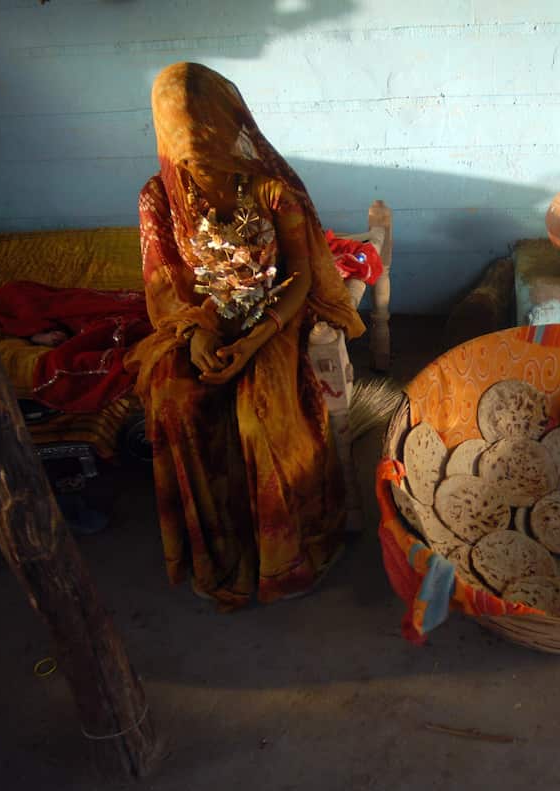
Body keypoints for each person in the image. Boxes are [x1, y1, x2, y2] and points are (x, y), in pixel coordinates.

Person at [128, 63, 365, 609]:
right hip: (200, 320)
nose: (196, 151)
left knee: (256, 417)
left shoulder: (272, 192)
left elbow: (302, 277)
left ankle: (285, 558)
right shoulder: (156, 198)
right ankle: (215, 552)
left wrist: (255, 341)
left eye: (206, 133)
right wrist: (197, 338)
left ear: (228, 122)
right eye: (183, 141)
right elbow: (166, 284)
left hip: (275, 315)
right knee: (171, 398)